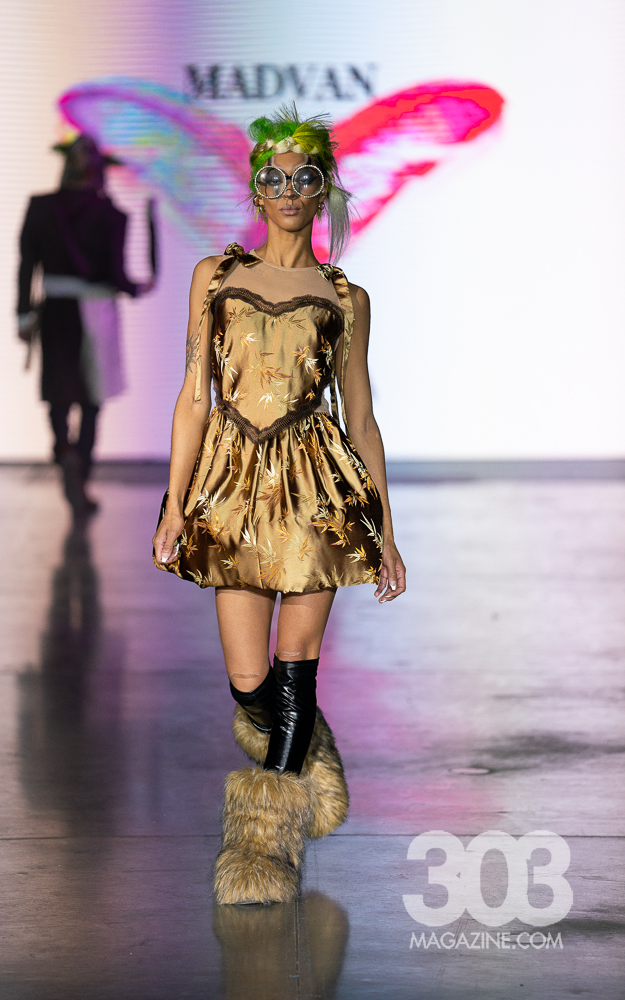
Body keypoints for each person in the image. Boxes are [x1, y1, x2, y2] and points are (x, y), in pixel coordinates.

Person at [152, 106, 406, 905]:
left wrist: (385, 532)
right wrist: (172, 505)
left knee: (296, 672)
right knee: (246, 679)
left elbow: (360, 416)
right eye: (273, 176)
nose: (289, 190)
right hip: (229, 490)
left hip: (318, 492)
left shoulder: (344, 296)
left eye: (304, 177)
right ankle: (309, 754)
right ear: (256, 189)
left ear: (323, 189)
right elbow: (193, 399)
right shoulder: (215, 277)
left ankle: (262, 850)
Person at [17, 134, 155, 513]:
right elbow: (117, 275)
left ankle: (64, 451)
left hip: (56, 311)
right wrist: (139, 286)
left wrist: (23, 316)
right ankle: (81, 474)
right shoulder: (111, 214)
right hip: (97, 312)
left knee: (58, 392)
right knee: (92, 399)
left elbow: (27, 265)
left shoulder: (41, 207)